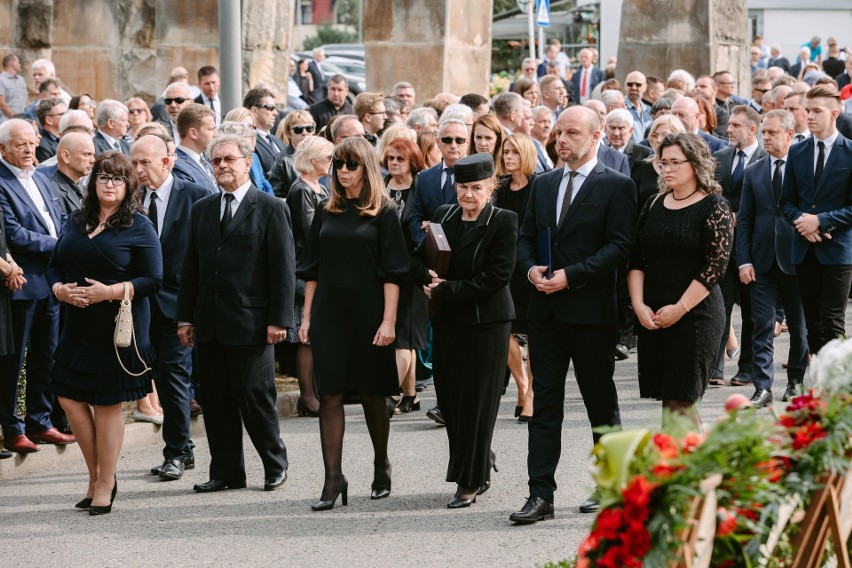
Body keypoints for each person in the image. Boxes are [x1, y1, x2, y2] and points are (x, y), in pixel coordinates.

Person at [511, 106, 636, 524]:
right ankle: (540, 494)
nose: (561, 140)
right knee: (544, 405)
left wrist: (572, 277)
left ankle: (612, 486)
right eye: (558, 133)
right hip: (545, 312)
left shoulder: (616, 186)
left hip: (591, 312)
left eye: (571, 133)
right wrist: (531, 269)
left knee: (600, 402)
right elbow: (525, 236)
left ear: (596, 135)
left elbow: (620, 247)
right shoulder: (544, 184)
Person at [176, 134, 295, 493]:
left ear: (247, 162)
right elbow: (191, 268)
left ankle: (275, 465)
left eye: (229, 159)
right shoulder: (203, 208)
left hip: (253, 324)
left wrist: (280, 320)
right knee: (216, 400)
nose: (223, 166)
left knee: (255, 397)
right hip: (210, 324)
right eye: (216, 161)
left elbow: (283, 269)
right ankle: (227, 472)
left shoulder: (271, 207)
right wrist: (185, 317)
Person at [47, 152, 163, 514]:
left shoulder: (139, 226)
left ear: (129, 185)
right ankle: (98, 473)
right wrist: (59, 291)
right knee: (68, 396)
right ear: (93, 182)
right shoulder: (74, 220)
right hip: (77, 325)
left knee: (107, 402)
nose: (109, 184)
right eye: (103, 177)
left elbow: (154, 280)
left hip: (117, 327)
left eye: (117, 179)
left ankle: (104, 481)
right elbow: (54, 267)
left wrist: (109, 292)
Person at [297, 137, 409, 510]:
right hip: (330, 314)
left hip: (370, 314)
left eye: (351, 165)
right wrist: (307, 317)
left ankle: (382, 464)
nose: (343, 172)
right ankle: (333, 478)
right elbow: (311, 269)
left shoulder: (384, 211)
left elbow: (394, 271)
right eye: (338, 165)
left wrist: (389, 321)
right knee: (329, 394)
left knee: (374, 395)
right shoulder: (326, 209)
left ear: (365, 167)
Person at [411, 153, 517, 508]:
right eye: (462, 187)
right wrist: (427, 279)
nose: (468, 195)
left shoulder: (504, 220)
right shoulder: (444, 214)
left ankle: (469, 481)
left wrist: (447, 289)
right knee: (453, 403)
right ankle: (479, 459)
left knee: (477, 403)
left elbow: (497, 277)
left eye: (476, 188)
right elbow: (419, 256)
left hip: (487, 323)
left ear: (491, 187)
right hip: (447, 321)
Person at [628, 132, 733, 428]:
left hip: (696, 316)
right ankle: (689, 470)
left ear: (696, 163)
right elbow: (637, 259)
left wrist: (680, 308)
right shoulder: (653, 204)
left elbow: (715, 268)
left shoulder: (714, 206)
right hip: (654, 313)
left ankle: (690, 472)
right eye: (663, 163)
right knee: (671, 403)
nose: (668, 169)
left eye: (676, 162)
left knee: (680, 402)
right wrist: (638, 305)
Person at [131, 135, 210, 481]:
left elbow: (205, 255)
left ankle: (177, 452)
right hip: (139, 304)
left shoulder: (194, 196)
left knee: (174, 376)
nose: (137, 170)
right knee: (155, 375)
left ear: (167, 161)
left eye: (144, 163)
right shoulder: (131, 198)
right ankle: (183, 450)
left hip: (179, 306)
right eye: (134, 162)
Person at [0, 118, 72, 454]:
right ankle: (12, 427)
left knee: (47, 355)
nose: (29, 149)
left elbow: (58, 218)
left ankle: (40, 422)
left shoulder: (42, 178)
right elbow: (14, 234)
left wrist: (66, 242)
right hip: (21, 282)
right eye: (20, 144)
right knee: (14, 362)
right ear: (3, 149)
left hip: (51, 281)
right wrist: (60, 246)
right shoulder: (1, 182)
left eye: (32, 142)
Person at [736, 110, 809, 406]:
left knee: (799, 327)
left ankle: (795, 382)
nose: (765, 137)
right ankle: (762, 388)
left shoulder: (804, 169)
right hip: (761, 261)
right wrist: (743, 260)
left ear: (789, 135)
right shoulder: (753, 171)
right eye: (764, 132)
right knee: (761, 325)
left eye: (772, 133)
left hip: (798, 260)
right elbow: (746, 220)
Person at [780, 85, 852, 357]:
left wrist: (821, 221)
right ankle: (821, 389)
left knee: (833, 322)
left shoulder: (850, 152)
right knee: (812, 324)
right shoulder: (797, 152)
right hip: (804, 248)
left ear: (834, 113)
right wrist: (803, 222)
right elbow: (786, 201)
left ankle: (838, 390)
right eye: (807, 110)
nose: (809, 116)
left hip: (838, 250)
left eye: (816, 111)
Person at [285, 135, 334, 417]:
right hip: (307, 270)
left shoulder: (318, 186)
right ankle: (306, 395)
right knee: (306, 334)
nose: (331, 163)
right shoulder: (301, 189)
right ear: (313, 160)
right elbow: (308, 230)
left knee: (315, 333)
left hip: (318, 267)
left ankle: (314, 391)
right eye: (328, 158)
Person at [381, 138, 427, 414]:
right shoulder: (381, 186)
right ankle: (410, 395)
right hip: (386, 268)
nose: (394, 163)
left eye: (400, 158)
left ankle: (387, 394)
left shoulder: (420, 187)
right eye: (390, 158)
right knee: (401, 336)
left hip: (412, 269)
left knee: (404, 336)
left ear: (412, 161)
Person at [495, 134, 536, 422]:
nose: (508, 157)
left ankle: (531, 393)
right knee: (505, 328)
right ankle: (522, 384)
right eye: (505, 152)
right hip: (504, 265)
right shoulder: (499, 189)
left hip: (530, 265)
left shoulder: (540, 186)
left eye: (514, 153)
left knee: (534, 332)